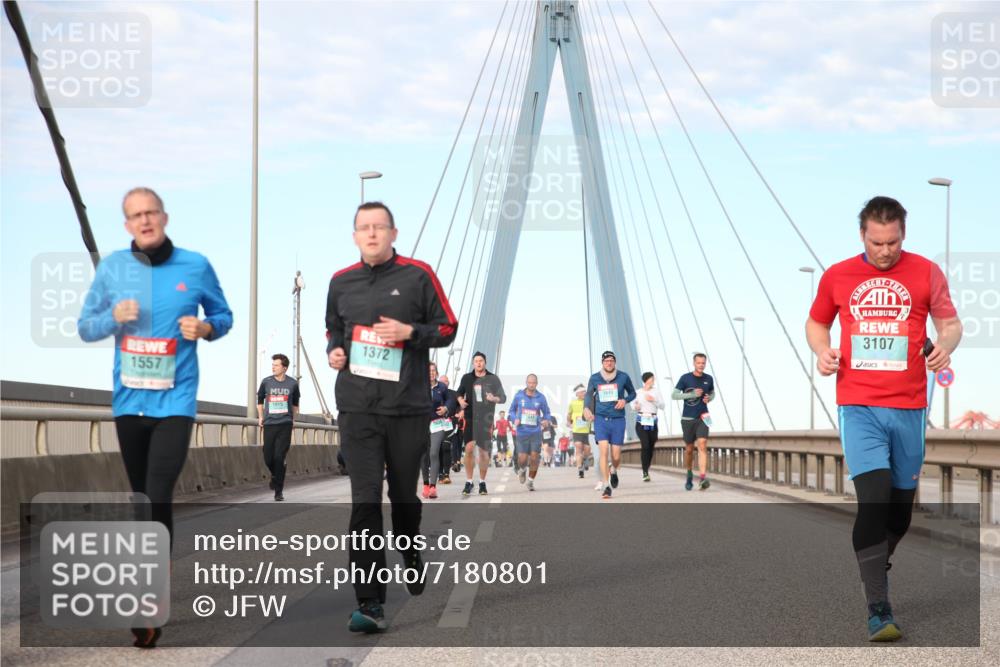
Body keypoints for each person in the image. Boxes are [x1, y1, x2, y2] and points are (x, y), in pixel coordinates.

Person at [78, 186, 233, 648]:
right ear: (127, 225)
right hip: (129, 404)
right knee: (142, 498)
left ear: (164, 217)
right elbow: (86, 326)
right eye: (134, 215)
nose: (144, 220)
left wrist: (206, 328)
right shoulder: (113, 269)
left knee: (157, 492)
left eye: (151, 212)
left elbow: (223, 316)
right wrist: (112, 318)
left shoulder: (195, 265)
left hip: (176, 403)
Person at [806, 196, 961, 642]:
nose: (885, 251)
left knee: (899, 515)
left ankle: (874, 559)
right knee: (872, 502)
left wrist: (946, 344)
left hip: (910, 408)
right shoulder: (838, 275)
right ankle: (879, 606)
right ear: (862, 236)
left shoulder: (926, 272)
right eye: (876, 242)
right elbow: (816, 324)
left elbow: (950, 323)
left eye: (892, 242)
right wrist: (823, 351)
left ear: (903, 236)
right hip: (859, 406)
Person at [326, 201, 458, 633]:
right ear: (354, 235)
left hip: (406, 409)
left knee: (403, 497)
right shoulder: (340, 282)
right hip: (357, 409)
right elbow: (333, 330)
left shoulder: (418, 276)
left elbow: (448, 327)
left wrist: (410, 334)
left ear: (393, 233)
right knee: (364, 501)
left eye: (379, 227)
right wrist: (335, 352)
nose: (371, 234)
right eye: (363, 227)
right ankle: (369, 603)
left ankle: (410, 545)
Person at [583, 351, 636, 499]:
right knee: (603, 452)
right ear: (602, 362)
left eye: (612, 360)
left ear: (615, 362)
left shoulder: (623, 376)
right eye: (606, 361)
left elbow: (632, 393)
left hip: (618, 419)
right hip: (601, 419)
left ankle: (614, 470)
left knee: (616, 456)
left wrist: (625, 400)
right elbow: (588, 395)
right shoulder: (595, 378)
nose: (609, 363)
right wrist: (586, 408)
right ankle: (606, 486)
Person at [455, 352, 506, 496]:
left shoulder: (493, 379)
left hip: (486, 419)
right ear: (473, 363)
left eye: (481, 361)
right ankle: (469, 481)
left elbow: (503, 397)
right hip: (471, 417)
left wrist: (494, 398)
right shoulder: (466, 378)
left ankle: (482, 482)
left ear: (485, 362)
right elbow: (458, 393)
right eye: (476, 361)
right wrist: (460, 400)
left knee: (483, 453)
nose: (478, 363)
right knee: (470, 448)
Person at [257, 353, 300, 501]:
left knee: (279, 456)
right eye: (273, 365)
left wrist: (293, 419)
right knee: (268, 457)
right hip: (269, 423)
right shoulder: (266, 382)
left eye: (276, 365)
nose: (273, 367)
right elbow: (260, 400)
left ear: (284, 368)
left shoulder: (293, 384)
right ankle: (275, 475)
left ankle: (278, 491)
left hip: (285, 424)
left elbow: (295, 404)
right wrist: (261, 417)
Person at [673, 354, 714, 491]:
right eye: (699, 363)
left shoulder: (709, 379)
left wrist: (709, 398)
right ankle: (689, 473)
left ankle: (702, 478)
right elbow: (674, 395)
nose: (701, 365)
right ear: (694, 363)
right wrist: (692, 394)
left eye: (703, 363)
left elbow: (712, 393)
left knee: (702, 445)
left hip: (703, 417)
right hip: (687, 419)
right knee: (689, 449)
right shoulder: (685, 378)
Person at [508, 374, 553, 491]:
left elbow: (547, 412)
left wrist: (546, 420)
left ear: (536, 383)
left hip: (536, 432)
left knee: (534, 457)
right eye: (529, 382)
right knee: (522, 458)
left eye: (533, 383)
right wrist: (514, 419)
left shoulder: (541, 397)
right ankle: (522, 470)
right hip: (522, 431)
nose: (531, 385)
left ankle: (531, 481)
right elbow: (511, 410)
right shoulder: (519, 396)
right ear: (526, 382)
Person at [422, 362, 457, 499]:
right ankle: (425, 484)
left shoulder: (441, 387)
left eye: (433, 370)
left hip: (437, 423)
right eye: (428, 370)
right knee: (423, 455)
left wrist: (446, 408)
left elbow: (450, 400)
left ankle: (433, 487)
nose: (431, 373)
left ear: (436, 372)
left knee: (433, 452)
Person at [632, 372, 665, 482]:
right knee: (645, 445)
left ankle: (646, 467)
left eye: (653, 379)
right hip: (641, 421)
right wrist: (635, 406)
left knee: (651, 446)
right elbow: (632, 405)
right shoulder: (638, 392)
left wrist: (653, 400)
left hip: (652, 421)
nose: (653, 381)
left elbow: (662, 406)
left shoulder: (656, 392)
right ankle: (645, 472)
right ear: (646, 380)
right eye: (651, 379)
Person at [567, 384, 592, 479]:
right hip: (577, 430)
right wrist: (569, 422)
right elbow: (569, 414)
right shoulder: (572, 403)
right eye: (582, 392)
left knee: (587, 449)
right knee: (578, 447)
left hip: (587, 430)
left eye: (585, 392)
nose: (584, 393)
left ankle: (585, 459)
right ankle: (580, 469)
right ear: (577, 394)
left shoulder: (589, 402)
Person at [437, 374, 456, 484]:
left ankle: (446, 474)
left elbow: (461, 405)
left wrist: (462, 411)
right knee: (437, 448)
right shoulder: (434, 392)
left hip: (449, 423)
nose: (444, 383)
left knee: (446, 447)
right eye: (442, 381)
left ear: (448, 383)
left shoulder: (453, 393)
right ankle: (440, 474)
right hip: (435, 424)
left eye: (446, 381)